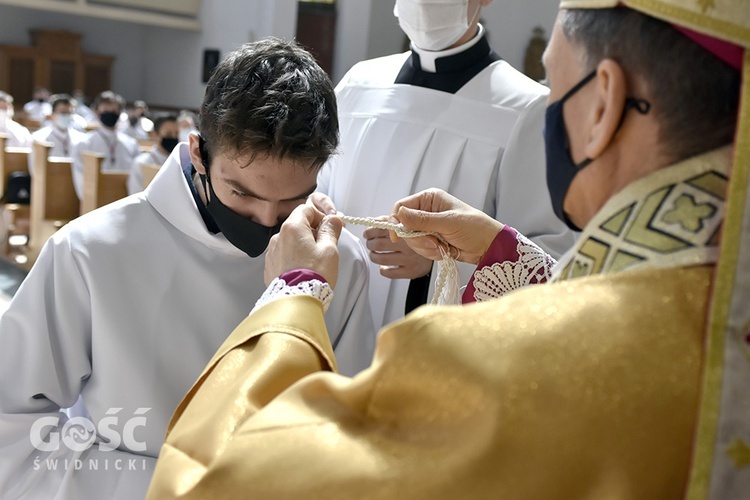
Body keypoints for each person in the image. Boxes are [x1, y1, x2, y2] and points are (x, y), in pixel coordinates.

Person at [147, 1, 749, 498]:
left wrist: (293, 295)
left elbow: (208, 483)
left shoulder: (486, 367)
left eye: (556, 83)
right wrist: (494, 252)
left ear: (604, 102)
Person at [0, 39, 375, 499]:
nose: (266, 225)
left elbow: (350, 424)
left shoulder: (339, 260)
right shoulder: (90, 251)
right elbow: (12, 423)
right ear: (198, 151)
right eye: (242, 195)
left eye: (292, 201)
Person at [317, 0, 576, 329]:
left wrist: (440, 265)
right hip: (336, 327)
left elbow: (548, 262)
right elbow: (315, 191)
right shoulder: (358, 85)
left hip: (434, 348)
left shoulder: (526, 108)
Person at [71, 90, 140, 199]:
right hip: (95, 201)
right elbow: (80, 178)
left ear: (120, 113)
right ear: (97, 112)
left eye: (114, 110)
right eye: (105, 109)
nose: (110, 112)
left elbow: (136, 177)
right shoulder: (84, 143)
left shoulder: (131, 144)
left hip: (124, 200)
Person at [28, 93, 87, 174]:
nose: (66, 116)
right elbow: (35, 169)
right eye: (63, 113)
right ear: (52, 115)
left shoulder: (81, 138)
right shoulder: (39, 138)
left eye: (69, 113)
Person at [127, 112, 178, 194]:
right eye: (168, 134)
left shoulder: (181, 163)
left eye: (176, 134)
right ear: (155, 135)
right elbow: (134, 194)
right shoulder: (141, 163)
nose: (174, 138)